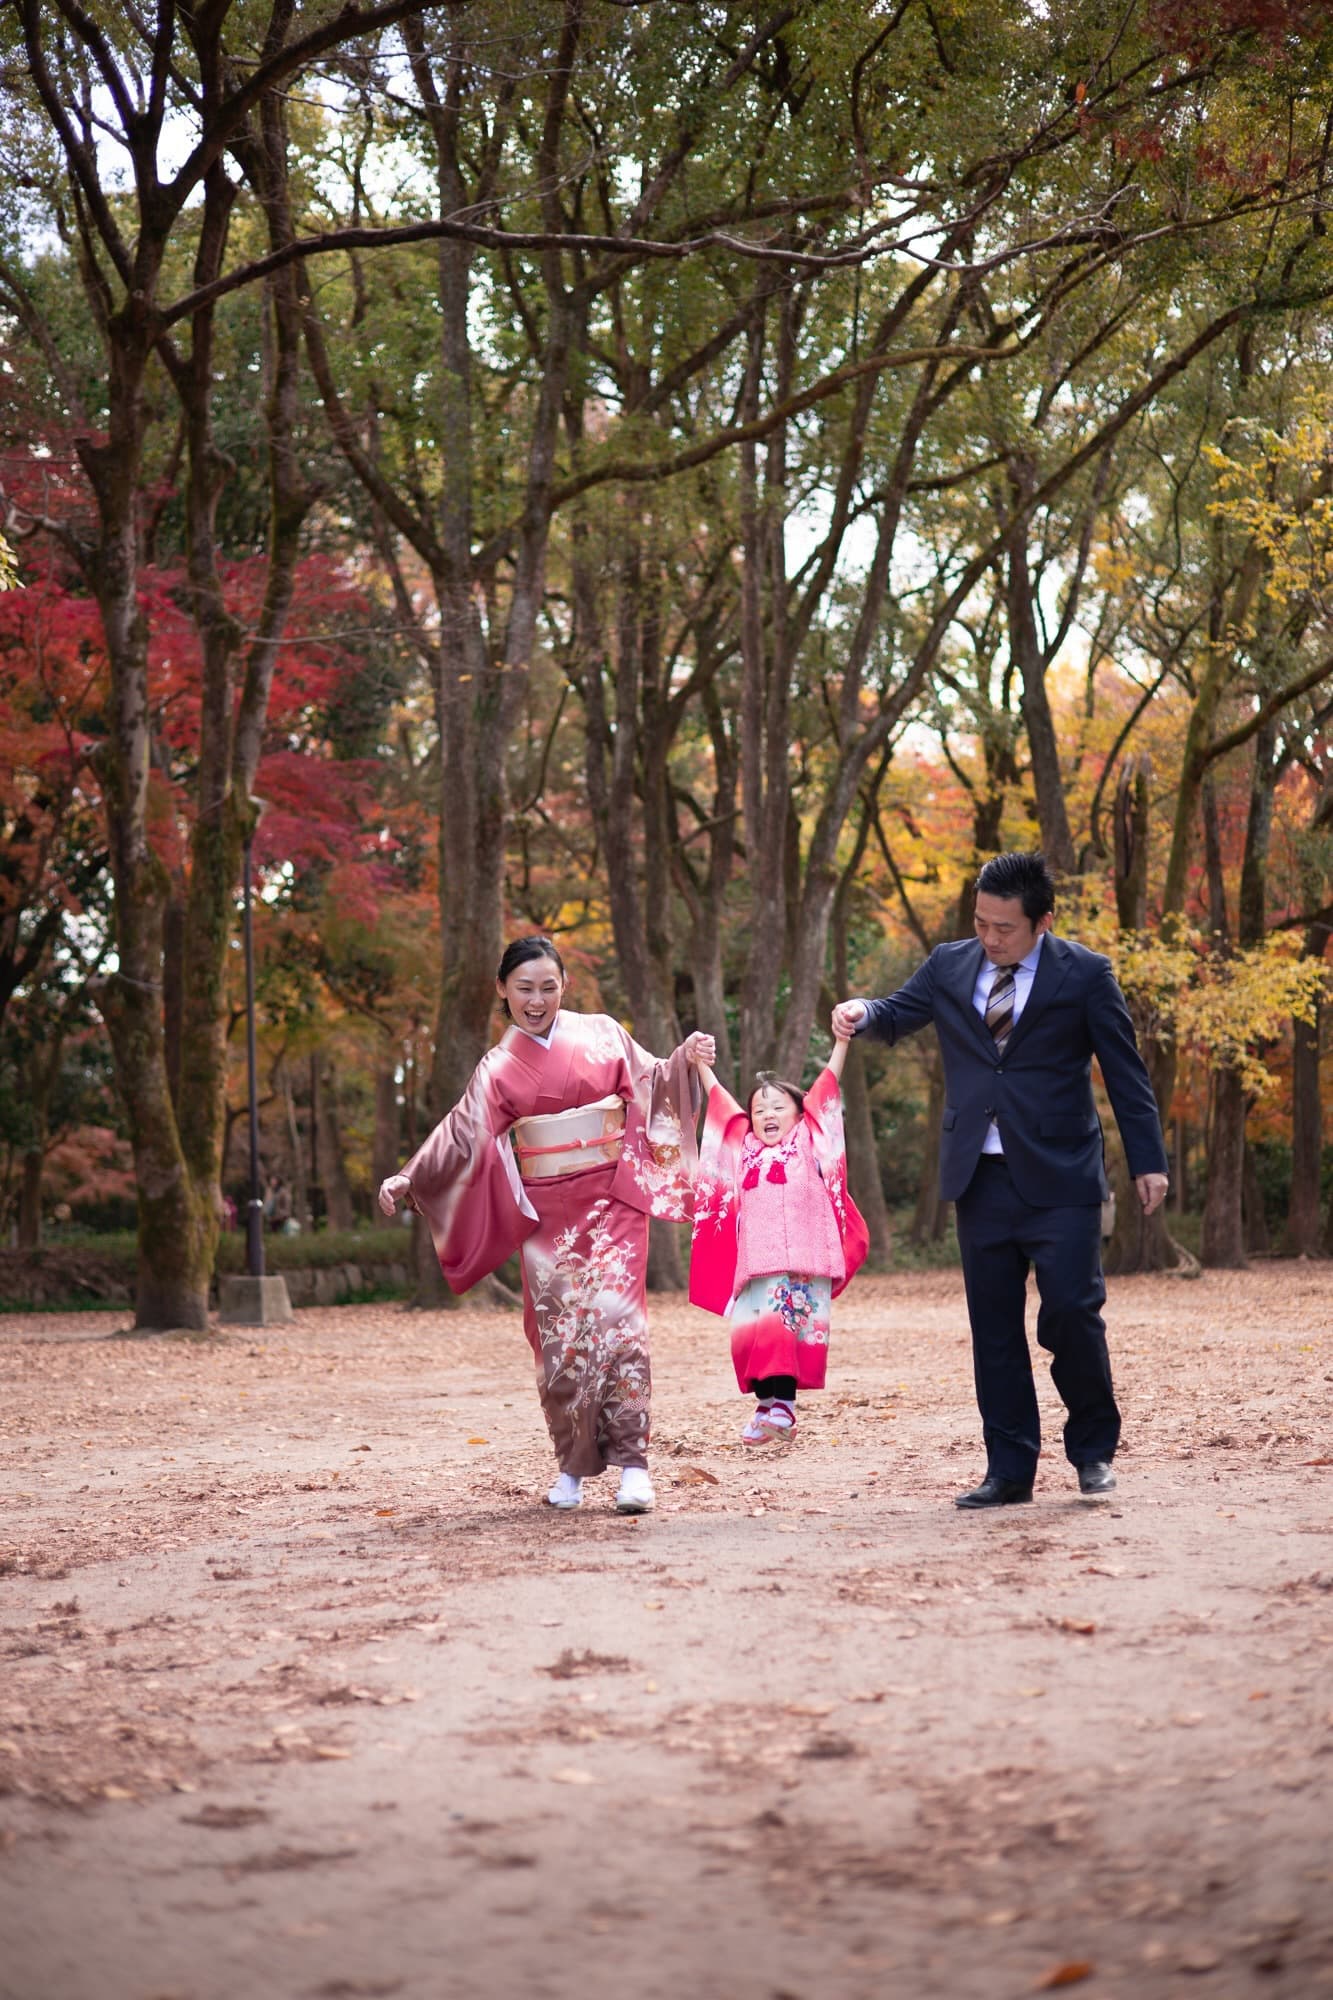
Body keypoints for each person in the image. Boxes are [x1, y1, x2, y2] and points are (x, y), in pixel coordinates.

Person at [832, 851, 1169, 1509]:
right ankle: (1009, 1469)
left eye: (1004, 927)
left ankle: (1092, 1451)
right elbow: (897, 1012)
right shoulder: (949, 964)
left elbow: (1125, 1071)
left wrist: (1148, 1160)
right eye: (980, 922)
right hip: (978, 1176)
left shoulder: (1086, 974)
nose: (989, 937)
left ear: (1042, 922)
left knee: (1071, 1314)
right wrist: (861, 1011)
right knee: (993, 1329)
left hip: (1062, 1174)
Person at [378, 937, 714, 1516]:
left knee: (621, 1325)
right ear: (502, 990)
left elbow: (653, 1081)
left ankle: (634, 1466)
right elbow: (462, 1131)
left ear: (565, 987)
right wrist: (410, 1175)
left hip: (613, 1201)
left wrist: (683, 1059)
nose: (537, 1001)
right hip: (546, 1213)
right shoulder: (497, 1067)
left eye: (548, 988)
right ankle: (572, 1466)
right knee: (559, 1338)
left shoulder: (604, 1033)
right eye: (524, 989)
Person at [688, 1026, 868, 1446]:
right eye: (759, 1109)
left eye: (778, 1107)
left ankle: (783, 1407)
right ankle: (767, 1404)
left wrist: (842, 1042)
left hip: (799, 1262)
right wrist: (699, 1065)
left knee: (783, 1332)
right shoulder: (744, 1147)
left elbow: (826, 1086)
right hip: (755, 1264)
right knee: (752, 1337)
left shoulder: (807, 1140)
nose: (767, 1115)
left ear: (800, 1114)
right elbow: (720, 1104)